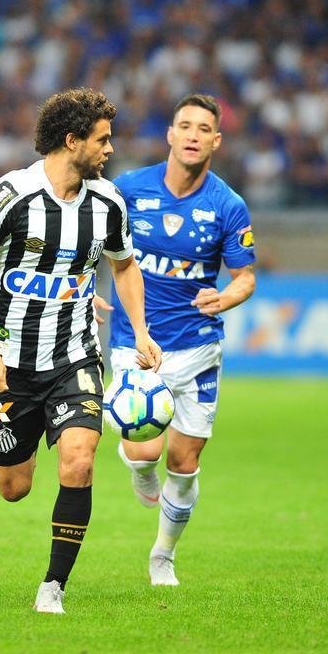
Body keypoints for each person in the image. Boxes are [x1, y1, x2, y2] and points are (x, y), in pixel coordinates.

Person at [0, 87, 163, 614]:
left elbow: (124, 264)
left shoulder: (108, 202)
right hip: (10, 366)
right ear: (72, 141)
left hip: (76, 357)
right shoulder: (10, 195)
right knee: (13, 487)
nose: (110, 150)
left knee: (79, 459)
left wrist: (140, 330)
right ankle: (20, 457)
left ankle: (54, 586)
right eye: (102, 140)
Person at [96, 94, 256, 587]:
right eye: (183, 125)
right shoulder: (127, 190)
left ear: (215, 140)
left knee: (184, 463)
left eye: (202, 128)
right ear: (169, 134)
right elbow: (88, 243)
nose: (191, 134)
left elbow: (245, 277)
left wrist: (225, 298)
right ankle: (141, 471)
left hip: (198, 346)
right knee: (145, 452)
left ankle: (163, 555)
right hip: (137, 341)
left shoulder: (228, 205)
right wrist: (83, 288)